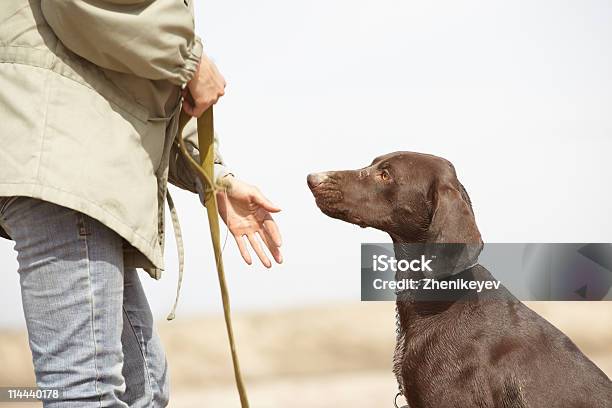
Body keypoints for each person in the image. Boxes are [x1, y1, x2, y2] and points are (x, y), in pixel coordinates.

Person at [0, 0, 283, 406]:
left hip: (83, 159)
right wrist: (189, 57)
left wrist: (215, 179)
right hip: (68, 157)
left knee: (144, 390)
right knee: (86, 392)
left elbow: (132, 80)